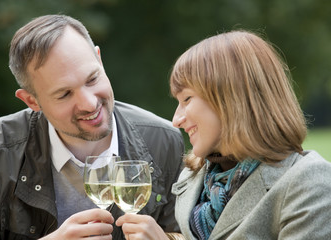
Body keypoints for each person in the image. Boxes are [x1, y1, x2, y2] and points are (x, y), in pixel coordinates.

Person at [0, 15, 184, 239]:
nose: (89, 103)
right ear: (32, 101)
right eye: (64, 94)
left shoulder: (164, 141)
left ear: (100, 60)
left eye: (92, 79)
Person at [117, 30, 331, 239]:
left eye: (187, 99)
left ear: (231, 99)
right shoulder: (192, 178)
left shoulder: (310, 182)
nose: (176, 120)